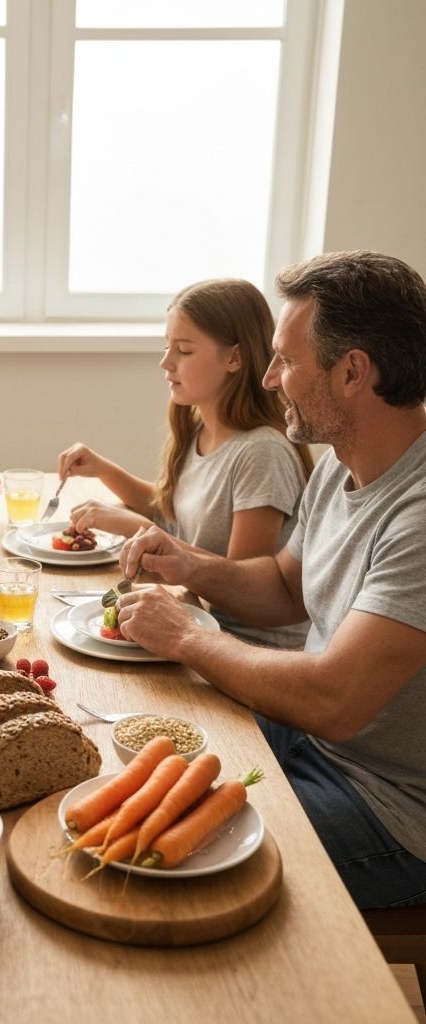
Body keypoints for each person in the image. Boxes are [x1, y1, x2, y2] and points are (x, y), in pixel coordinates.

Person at [115, 250, 426, 909]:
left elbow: (336, 700)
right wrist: (187, 563)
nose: (270, 377)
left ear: (351, 372)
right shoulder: (338, 468)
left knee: (152, 854)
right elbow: (286, 587)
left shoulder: (420, 514)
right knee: (126, 753)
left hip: (390, 811)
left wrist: (188, 640)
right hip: (312, 743)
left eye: (286, 359)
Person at [57, 279, 314, 648]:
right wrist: (105, 471)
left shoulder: (261, 453)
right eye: (166, 347)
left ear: (234, 358)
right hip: (201, 623)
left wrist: (139, 528)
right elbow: (176, 510)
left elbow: (241, 585)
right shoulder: (197, 431)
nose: (166, 361)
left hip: (245, 646)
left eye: (184, 350)